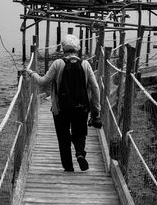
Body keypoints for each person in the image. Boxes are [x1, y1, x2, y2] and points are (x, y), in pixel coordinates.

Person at [25, 34, 101, 172]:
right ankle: (79, 153)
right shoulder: (85, 64)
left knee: (63, 137)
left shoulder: (58, 64)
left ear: (63, 48)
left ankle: (68, 167)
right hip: (81, 107)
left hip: (60, 108)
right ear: (78, 49)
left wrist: (31, 73)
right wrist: (96, 108)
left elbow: (43, 82)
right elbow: (95, 87)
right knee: (80, 132)